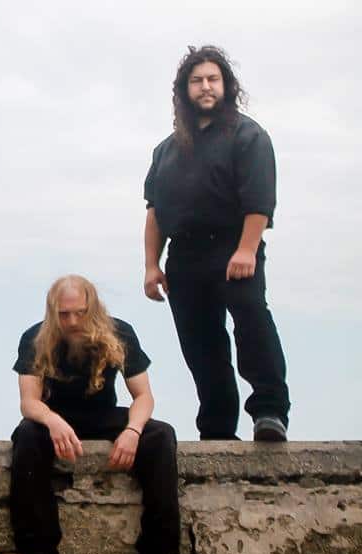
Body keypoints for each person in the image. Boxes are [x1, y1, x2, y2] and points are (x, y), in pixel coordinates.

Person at [143, 45, 290, 441]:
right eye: (197, 81)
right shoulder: (166, 150)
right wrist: (151, 265)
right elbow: (154, 212)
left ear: (226, 85)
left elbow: (259, 201)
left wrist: (246, 250)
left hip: (234, 247)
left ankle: (269, 412)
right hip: (183, 255)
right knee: (201, 345)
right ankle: (217, 430)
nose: (205, 87)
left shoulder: (248, 136)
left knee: (252, 326)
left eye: (213, 79)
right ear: (184, 90)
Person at [10, 275, 197, 554]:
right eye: (64, 314)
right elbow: (29, 402)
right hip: (55, 419)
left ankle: (160, 552)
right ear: (52, 312)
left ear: (93, 307)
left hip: (103, 415)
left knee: (161, 435)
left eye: (80, 313)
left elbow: (144, 396)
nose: (72, 322)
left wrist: (132, 431)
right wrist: (53, 421)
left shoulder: (119, 332)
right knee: (27, 435)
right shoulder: (35, 338)